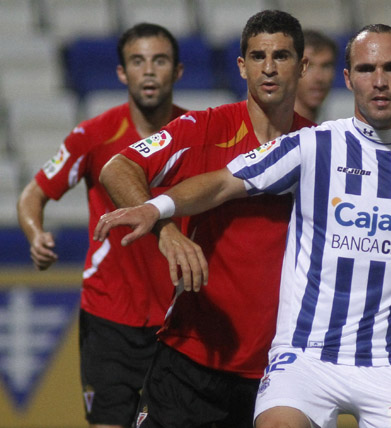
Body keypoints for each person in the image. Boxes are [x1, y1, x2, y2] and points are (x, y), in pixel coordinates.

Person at [94, 24, 391, 428]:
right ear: (349, 78)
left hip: (384, 363)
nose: (379, 81)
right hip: (280, 357)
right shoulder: (308, 145)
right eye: (366, 69)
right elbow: (214, 181)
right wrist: (159, 215)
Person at [94, 10, 315, 428]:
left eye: (282, 56)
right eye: (258, 56)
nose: (268, 68)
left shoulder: (320, 146)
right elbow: (117, 167)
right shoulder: (204, 127)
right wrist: (165, 230)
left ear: (302, 66)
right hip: (192, 360)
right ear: (242, 66)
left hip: (281, 374)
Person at [16, 23, 186, 428]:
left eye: (160, 61)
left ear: (178, 71)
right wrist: (35, 235)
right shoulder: (93, 136)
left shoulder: (197, 134)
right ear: (122, 73)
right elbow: (33, 194)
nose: (149, 71)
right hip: (109, 316)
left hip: (179, 317)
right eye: (138, 61)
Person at [294, 29, 338, 122]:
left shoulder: (335, 128)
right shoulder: (272, 128)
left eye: (326, 66)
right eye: (308, 67)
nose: (319, 78)